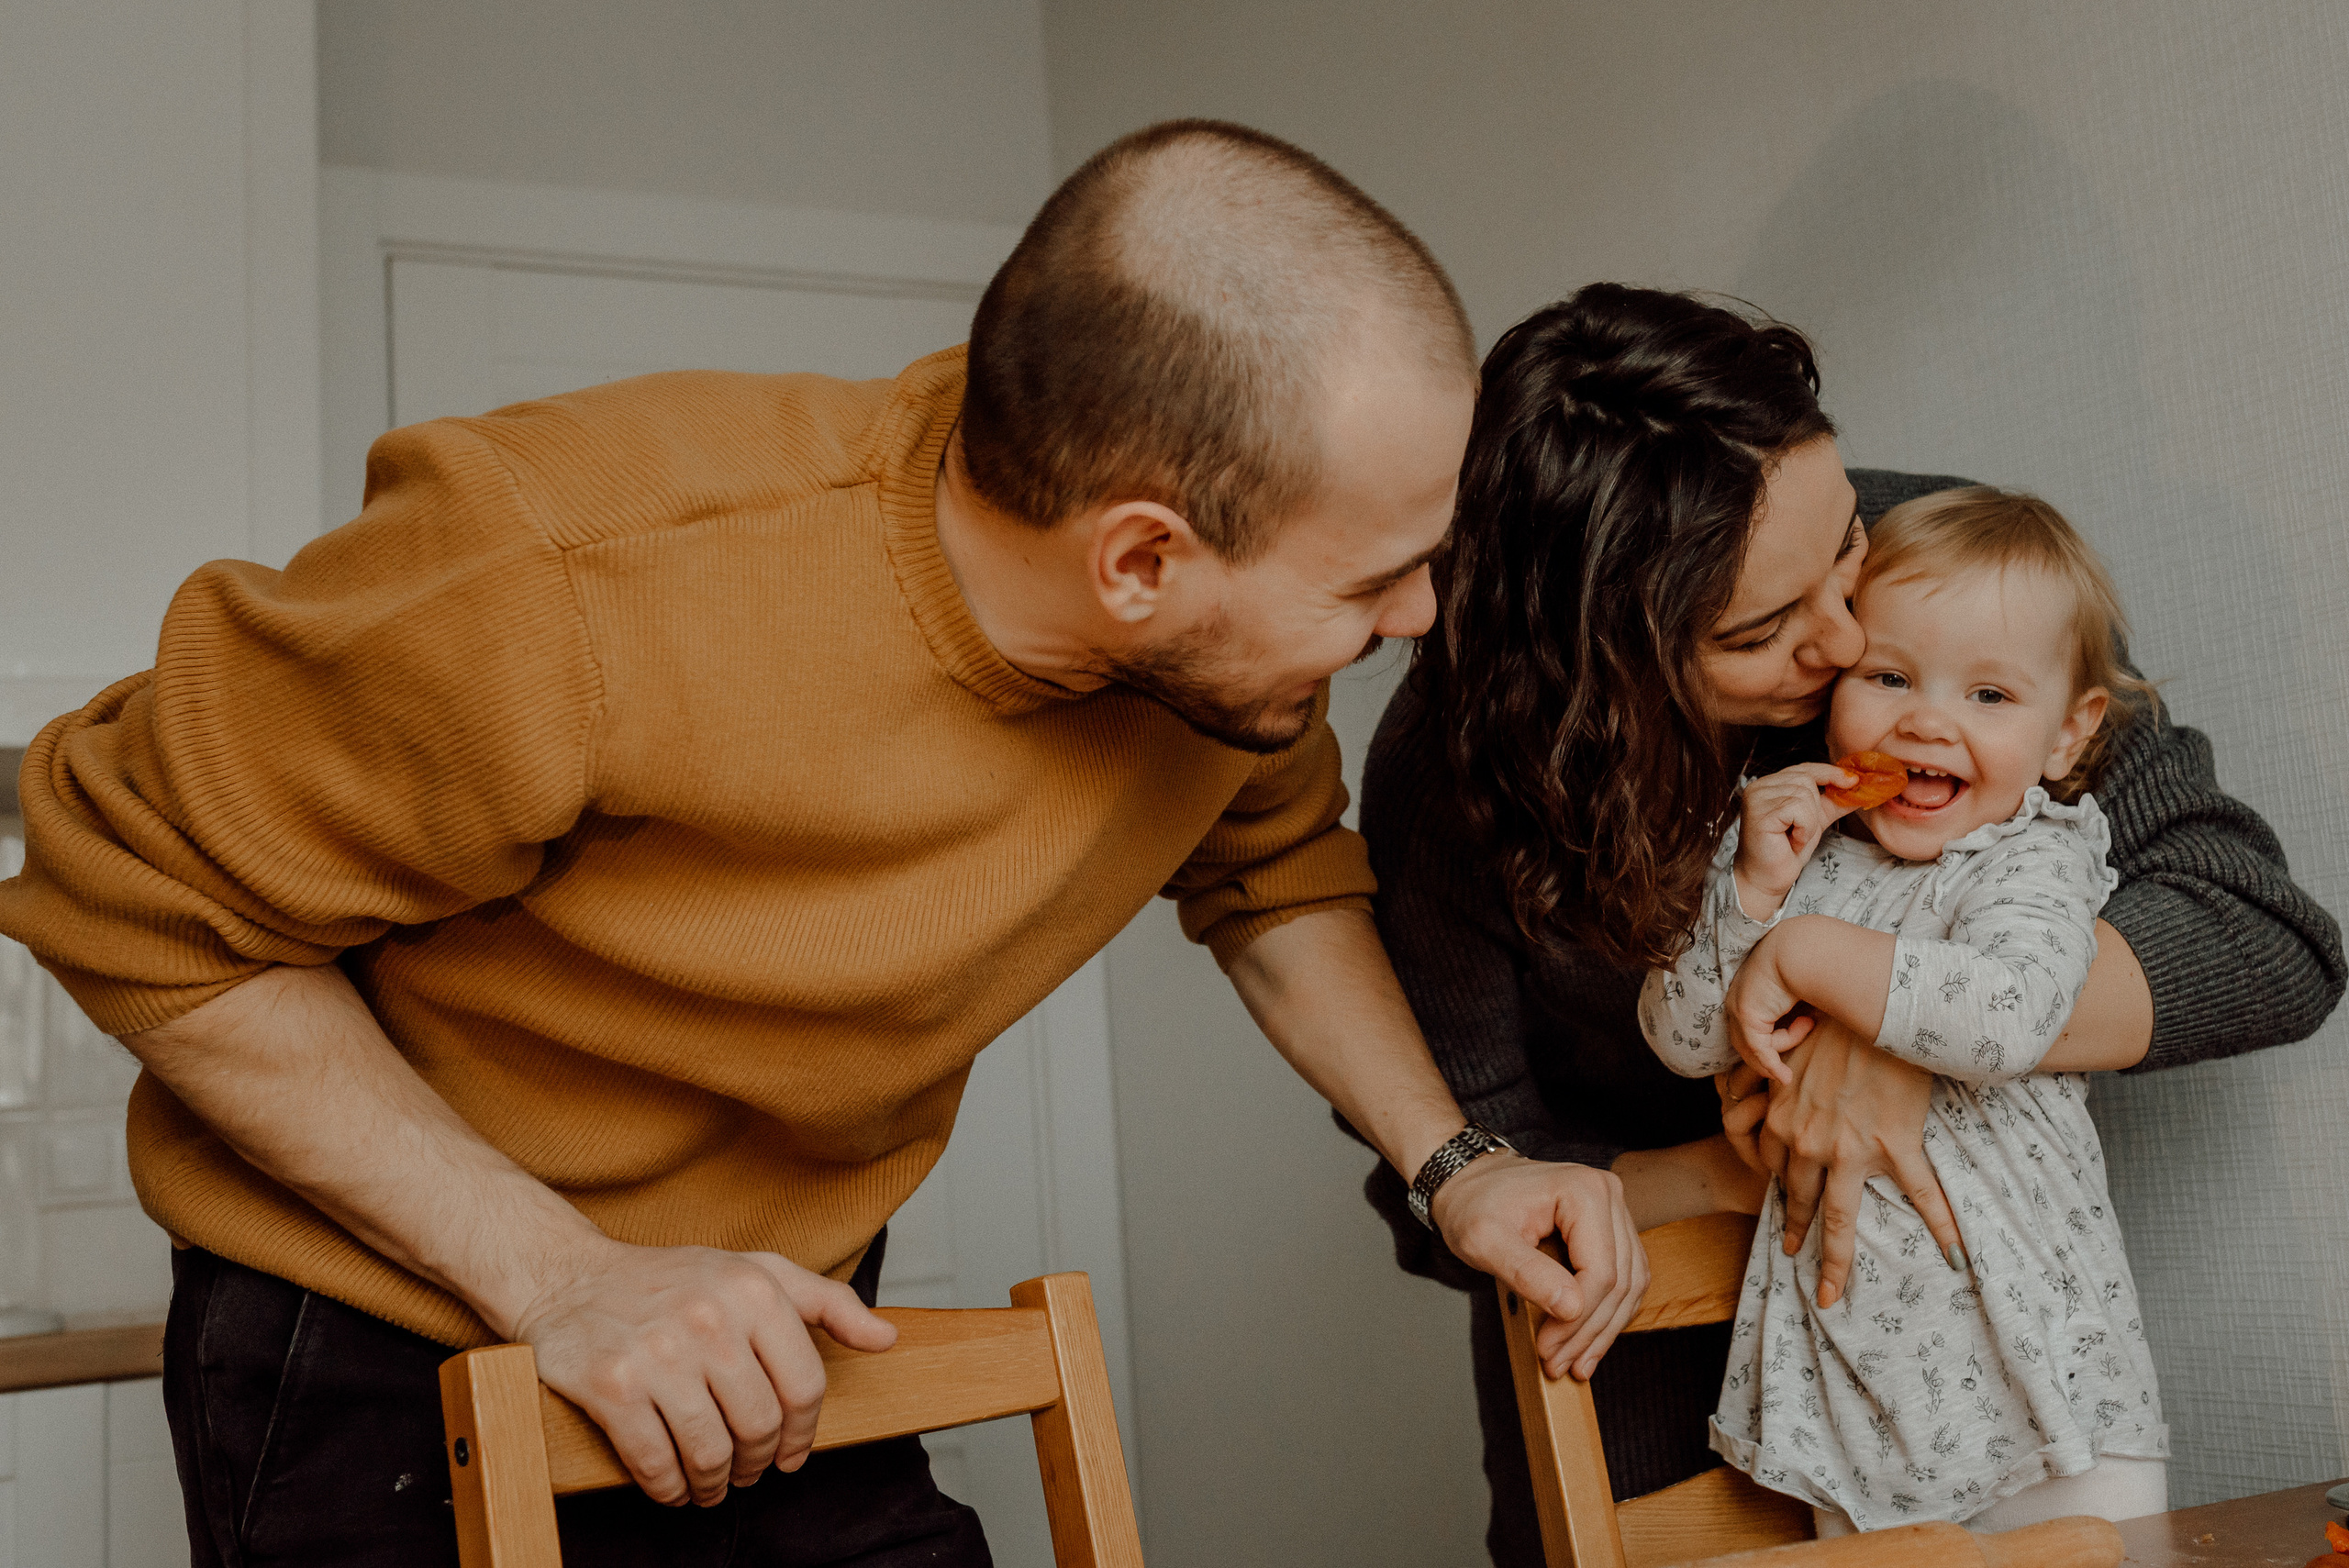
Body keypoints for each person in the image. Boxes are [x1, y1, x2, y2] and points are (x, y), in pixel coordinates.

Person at [0, 123, 1652, 1568]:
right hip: (386, 1329)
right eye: (1372, 578)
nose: (1416, 619)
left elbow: (1271, 877)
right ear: (1139, 556)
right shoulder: (566, 569)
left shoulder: (1216, 684)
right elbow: (123, 890)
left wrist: (1460, 1163)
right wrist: (566, 1279)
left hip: (781, 1319)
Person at [1355, 284, 2343, 1567]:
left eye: (1843, 559)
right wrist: (1745, 1159)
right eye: (1765, 631)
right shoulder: (1450, 774)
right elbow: (1455, 1176)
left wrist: (1897, 1029)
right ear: (1601, 663)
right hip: (1660, 1402)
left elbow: (2264, 933)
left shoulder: (1923, 570)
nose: (1842, 642)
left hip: (1990, 1388)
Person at [1642, 487, 2168, 1533]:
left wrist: (1801, 950)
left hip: (2048, 1393)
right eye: (1887, 677)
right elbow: (1684, 1037)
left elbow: (2007, 1014)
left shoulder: (2031, 854)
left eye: (1987, 694)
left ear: (2067, 734)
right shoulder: (1798, 859)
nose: (1926, 719)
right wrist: (1750, 893)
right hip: (1855, 1409)